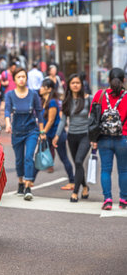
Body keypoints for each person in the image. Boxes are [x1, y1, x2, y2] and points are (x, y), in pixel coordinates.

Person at [5, 67, 45, 201]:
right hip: (16, 131)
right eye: (19, 77)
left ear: (26, 78)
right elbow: (7, 111)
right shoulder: (10, 95)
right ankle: (21, 182)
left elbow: (39, 112)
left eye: (23, 76)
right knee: (19, 160)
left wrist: (42, 130)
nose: (21, 79)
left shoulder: (33, 94)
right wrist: (8, 123)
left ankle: (28, 186)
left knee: (29, 157)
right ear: (15, 79)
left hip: (31, 131)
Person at [90, 68, 127, 210]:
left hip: (103, 138)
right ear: (124, 80)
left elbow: (92, 117)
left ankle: (108, 199)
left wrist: (93, 138)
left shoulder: (100, 95)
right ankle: (123, 199)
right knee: (123, 170)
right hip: (123, 138)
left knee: (106, 169)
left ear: (108, 80)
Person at [53, 73, 93, 202]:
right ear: (69, 85)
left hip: (85, 135)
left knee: (79, 161)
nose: (75, 85)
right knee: (78, 163)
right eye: (73, 83)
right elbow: (63, 120)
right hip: (72, 136)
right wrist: (57, 135)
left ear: (82, 85)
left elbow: (94, 119)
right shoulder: (67, 101)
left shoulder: (88, 99)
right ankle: (85, 186)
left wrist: (95, 136)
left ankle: (75, 192)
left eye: (78, 83)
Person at [39, 78, 74, 190]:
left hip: (56, 135)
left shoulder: (53, 101)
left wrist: (42, 131)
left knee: (64, 158)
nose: (40, 89)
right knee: (39, 155)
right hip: (48, 134)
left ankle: (72, 181)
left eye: (42, 86)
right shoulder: (43, 101)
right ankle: (29, 181)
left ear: (48, 89)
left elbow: (51, 120)